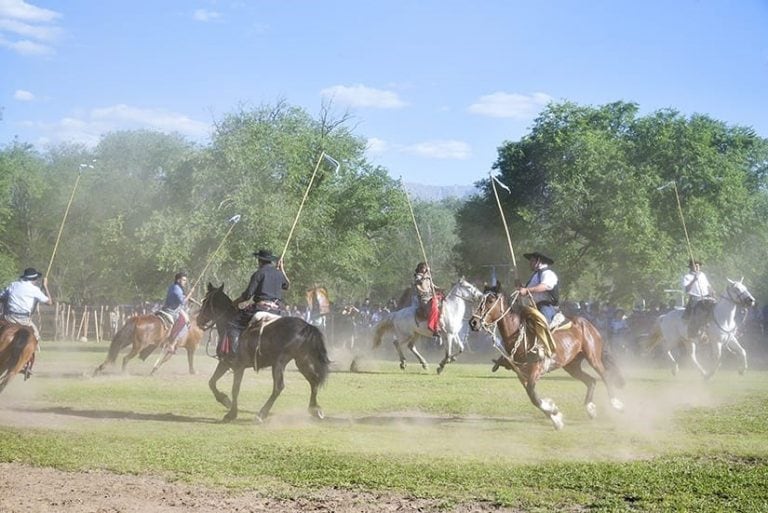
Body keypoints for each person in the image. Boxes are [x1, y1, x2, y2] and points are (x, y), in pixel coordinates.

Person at [225, 249, 290, 358]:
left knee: (233, 324)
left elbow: (247, 295)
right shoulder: (278, 274)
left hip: (261, 308)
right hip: (278, 310)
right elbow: (287, 286)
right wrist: (281, 269)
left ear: (260, 261)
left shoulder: (259, 273)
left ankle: (235, 356)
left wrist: (234, 303)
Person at [0, 267, 53, 342]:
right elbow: (49, 302)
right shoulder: (34, 289)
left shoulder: (13, 285)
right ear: (34, 279)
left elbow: (1, 297)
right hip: (24, 320)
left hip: (10, 318)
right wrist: (45, 286)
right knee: (36, 336)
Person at [517, 251, 560, 325]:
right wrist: (521, 287)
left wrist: (526, 290)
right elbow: (527, 292)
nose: (530, 263)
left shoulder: (548, 273)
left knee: (542, 325)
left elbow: (544, 286)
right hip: (533, 307)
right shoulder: (535, 275)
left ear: (539, 261)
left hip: (546, 306)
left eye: (532, 260)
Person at [682, 259, 714, 339]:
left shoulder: (702, 275)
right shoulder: (687, 277)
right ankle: (696, 332)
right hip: (695, 298)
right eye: (695, 266)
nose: (697, 267)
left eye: (698, 266)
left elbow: (708, 286)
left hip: (706, 296)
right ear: (691, 267)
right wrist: (694, 280)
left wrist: (712, 290)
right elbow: (687, 289)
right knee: (699, 312)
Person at [161, 272, 192, 353]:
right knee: (184, 323)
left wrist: (188, 297)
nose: (185, 282)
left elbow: (179, 297)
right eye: (184, 280)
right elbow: (182, 302)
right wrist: (190, 294)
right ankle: (172, 344)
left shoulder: (173, 287)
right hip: (172, 311)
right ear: (178, 280)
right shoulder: (177, 289)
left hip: (166, 308)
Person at [413, 262, 440, 336]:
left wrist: (440, 289)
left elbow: (433, 286)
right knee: (433, 308)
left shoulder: (428, 276)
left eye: (426, 268)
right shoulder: (418, 276)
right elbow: (420, 282)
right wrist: (426, 274)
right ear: (420, 269)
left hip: (431, 296)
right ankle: (433, 327)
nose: (426, 269)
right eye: (424, 268)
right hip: (424, 298)